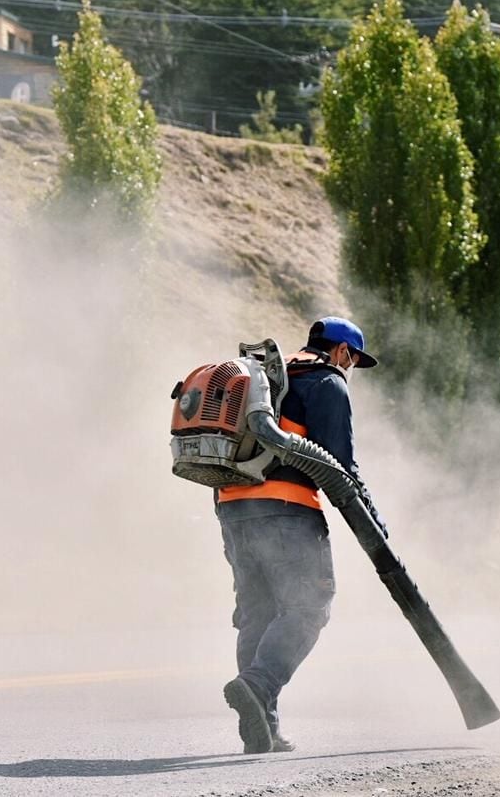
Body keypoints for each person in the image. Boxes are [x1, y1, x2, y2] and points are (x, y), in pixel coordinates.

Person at [216, 316, 382, 754]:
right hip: (287, 511)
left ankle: (263, 727)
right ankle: (257, 684)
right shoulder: (326, 382)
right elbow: (338, 465)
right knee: (309, 606)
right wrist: (375, 526)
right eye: (353, 360)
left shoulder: (269, 376)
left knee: (258, 612)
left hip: (233, 508)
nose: (350, 369)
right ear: (343, 352)